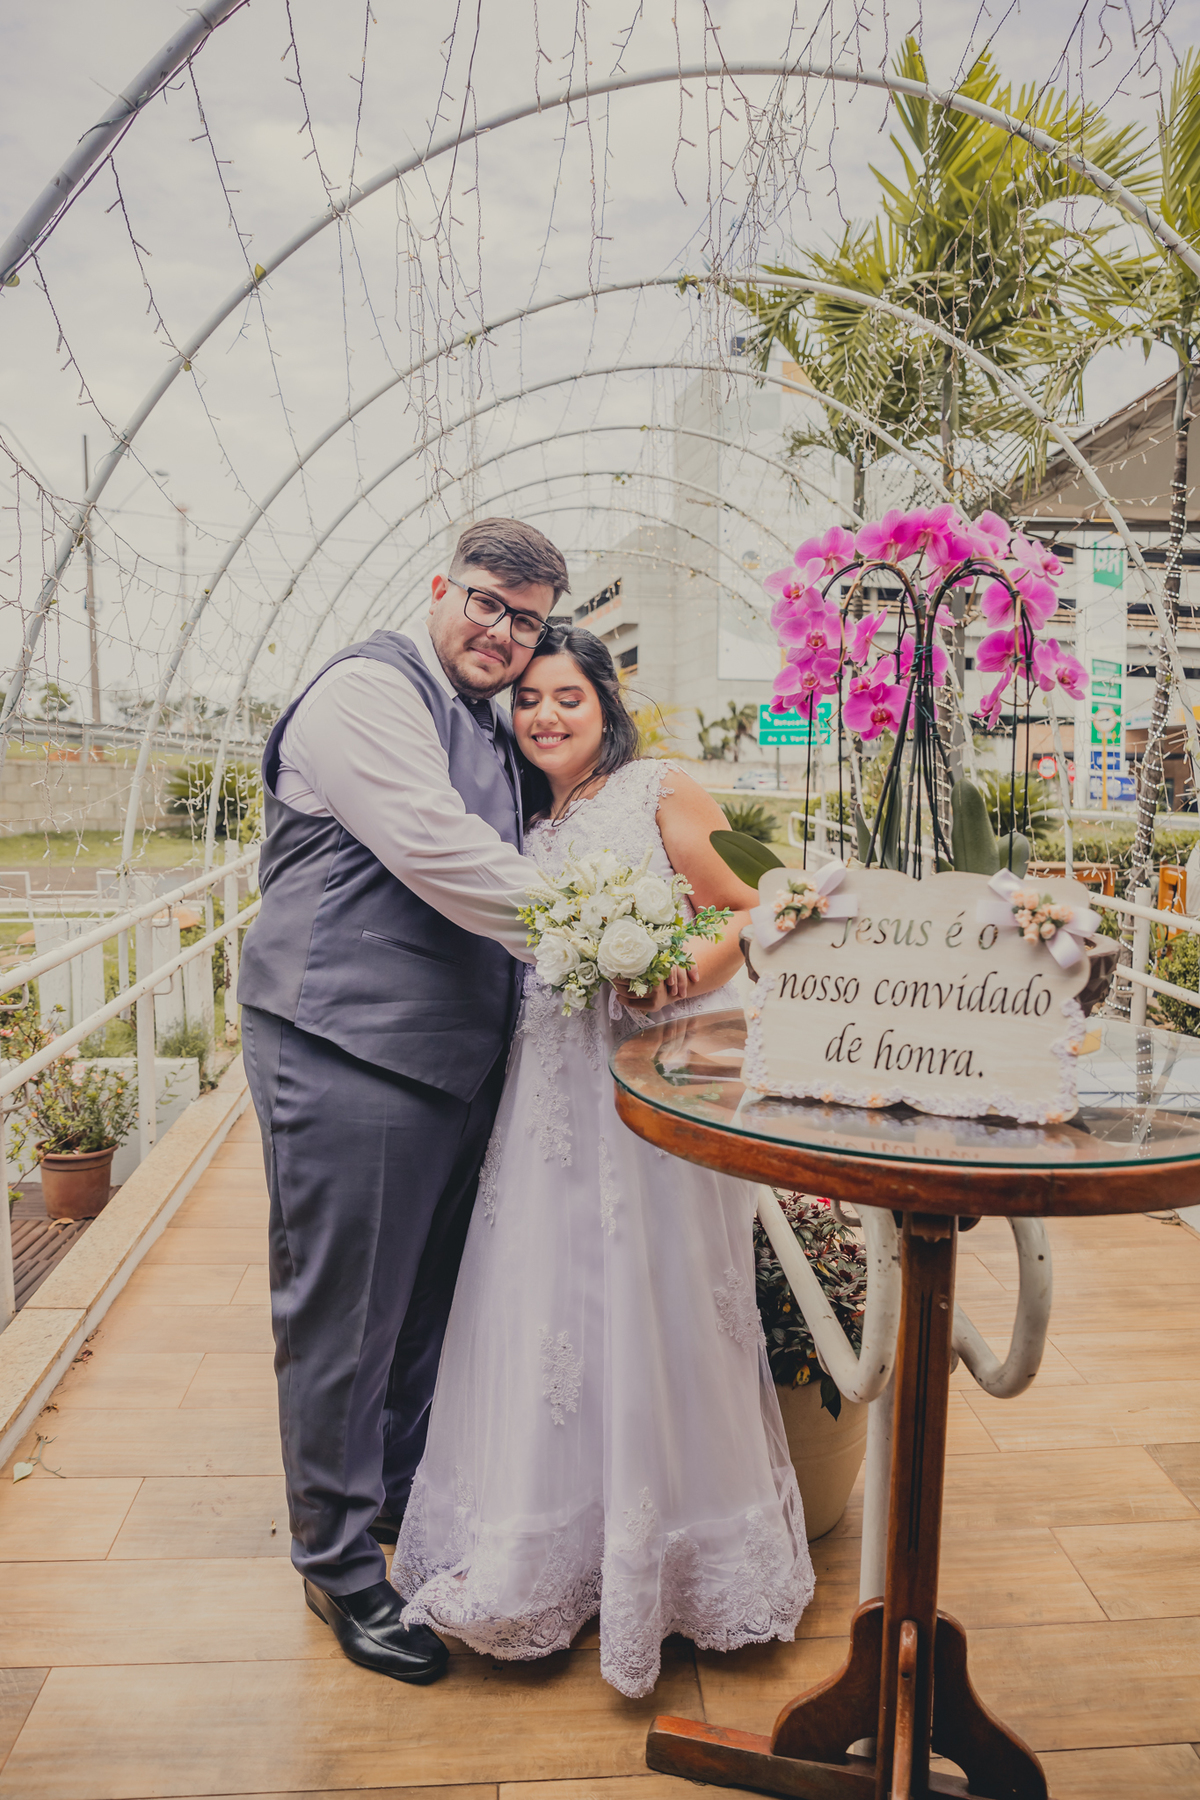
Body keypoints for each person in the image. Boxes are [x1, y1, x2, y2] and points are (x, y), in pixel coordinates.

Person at [393, 624, 815, 1699]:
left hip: (640, 1081)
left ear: (604, 703)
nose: (544, 716)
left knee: (650, 1296)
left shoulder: (659, 788)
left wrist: (672, 966)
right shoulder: (527, 819)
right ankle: (541, 1552)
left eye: (566, 697)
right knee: (545, 1306)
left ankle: (670, 1561)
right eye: (528, 700)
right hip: (546, 1093)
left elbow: (762, 900)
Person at [236, 517, 567, 1685]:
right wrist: (602, 935)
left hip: (443, 1063)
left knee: (418, 1310)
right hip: (345, 1047)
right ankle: (334, 1563)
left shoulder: (486, 720)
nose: (503, 633)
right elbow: (438, 852)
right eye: (487, 602)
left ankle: (383, 1510)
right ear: (442, 586)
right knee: (345, 1316)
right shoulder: (369, 694)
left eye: (524, 621)